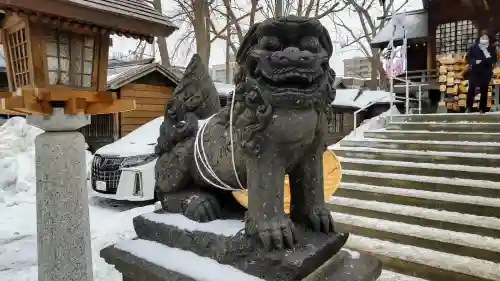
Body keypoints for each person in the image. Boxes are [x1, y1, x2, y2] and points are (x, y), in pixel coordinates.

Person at [466, 30, 497, 113]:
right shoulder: (473, 47)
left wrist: (483, 59)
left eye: (486, 38)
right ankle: (469, 107)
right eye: (483, 38)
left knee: (484, 90)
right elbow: (468, 58)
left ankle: (482, 108)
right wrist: (475, 61)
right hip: (475, 71)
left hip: (486, 71)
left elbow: (492, 60)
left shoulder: (491, 48)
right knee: (471, 89)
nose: (484, 39)